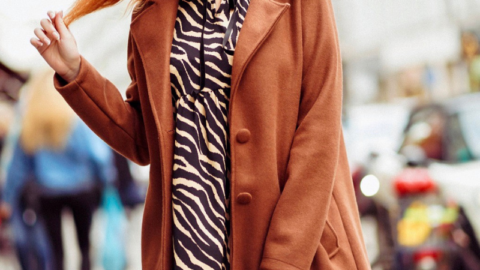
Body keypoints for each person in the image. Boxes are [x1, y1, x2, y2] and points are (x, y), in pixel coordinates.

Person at [31, 0, 370, 269]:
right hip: (188, 247)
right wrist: (76, 72)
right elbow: (144, 141)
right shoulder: (152, 15)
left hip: (290, 247)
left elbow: (318, 134)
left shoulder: (302, 6)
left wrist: (284, 260)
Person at [1, 69, 116, 270]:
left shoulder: (30, 124)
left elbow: (17, 168)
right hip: (82, 188)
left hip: (47, 192)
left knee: (55, 251)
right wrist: (106, 181)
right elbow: (98, 155)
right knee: (85, 247)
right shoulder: (76, 120)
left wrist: (7, 200)